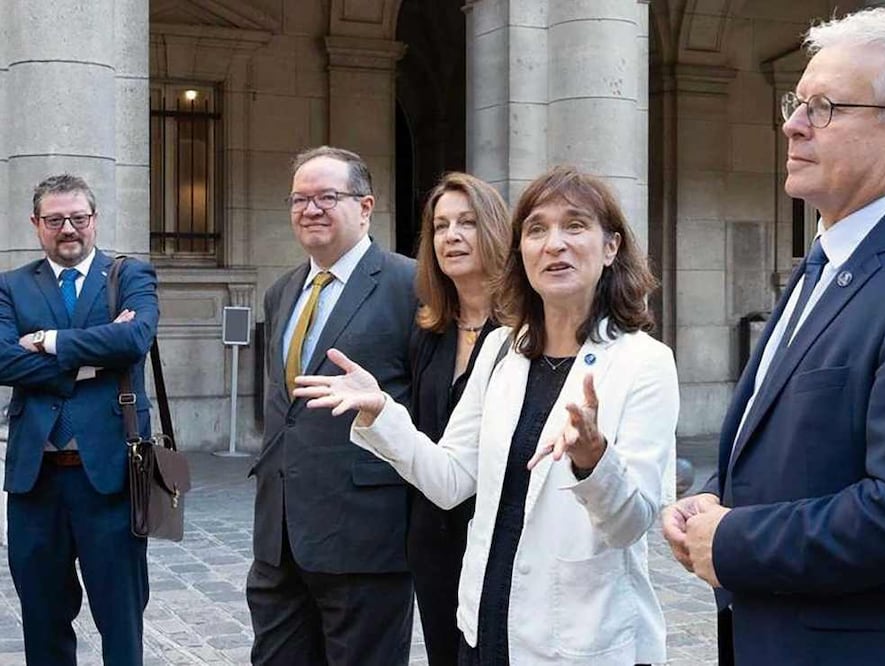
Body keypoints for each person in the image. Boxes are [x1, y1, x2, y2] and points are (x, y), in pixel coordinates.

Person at [662, 8, 885, 666]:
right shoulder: (830, 259)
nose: (792, 124)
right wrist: (715, 501)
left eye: (825, 107)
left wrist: (734, 540)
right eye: (796, 103)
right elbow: (801, 442)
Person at [296, 165, 677, 665]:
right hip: (485, 625)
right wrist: (382, 413)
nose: (554, 244)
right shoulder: (501, 349)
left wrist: (593, 459)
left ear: (611, 247)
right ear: (521, 251)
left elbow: (630, 524)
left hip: (580, 637)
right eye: (537, 230)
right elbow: (450, 479)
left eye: (575, 225)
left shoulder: (645, 362)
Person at [246, 146, 418, 665]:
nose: (310, 209)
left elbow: (433, 408)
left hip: (366, 540)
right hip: (279, 541)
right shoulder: (282, 291)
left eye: (326, 197)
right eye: (299, 199)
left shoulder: (410, 285)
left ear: (365, 207)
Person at [0, 174, 159, 665]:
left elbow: (134, 340)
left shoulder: (129, 276)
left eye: (78, 218)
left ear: (95, 219)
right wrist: (93, 362)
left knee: (121, 618)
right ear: (36, 223)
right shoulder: (11, 286)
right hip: (36, 482)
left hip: (111, 478)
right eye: (54, 220)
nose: (68, 228)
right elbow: (3, 360)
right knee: (42, 618)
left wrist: (46, 342)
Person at [407, 172, 511, 665]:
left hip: (502, 535)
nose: (451, 236)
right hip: (434, 537)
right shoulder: (428, 329)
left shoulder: (526, 330)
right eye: (441, 226)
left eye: (466, 223)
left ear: (493, 231)